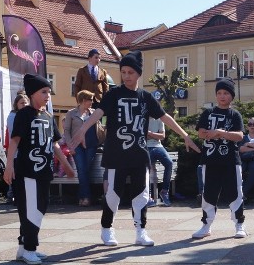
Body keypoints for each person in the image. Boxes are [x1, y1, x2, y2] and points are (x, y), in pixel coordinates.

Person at [70, 51, 199, 247]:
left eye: (130, 72)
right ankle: (107, 228)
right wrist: (82, 130)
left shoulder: (145, 97)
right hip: (116, 154)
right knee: (113, 194)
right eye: (123, 72)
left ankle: (141, 231)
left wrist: (186, 136)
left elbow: (165, 117)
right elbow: (98, 113)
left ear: (138, 74)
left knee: (142, 195)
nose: (126, 76)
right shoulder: (113, 94)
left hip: (139, 154)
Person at [5, 74, 75, 265]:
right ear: (32, 93)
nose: (48, 96)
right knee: (31, 210)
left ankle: (23, 246)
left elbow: (55, 145)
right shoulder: (23, 114)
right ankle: (29, 249)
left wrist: (67, 166)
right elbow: (14, 141)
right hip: (27, 171)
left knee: (40, 207)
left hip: (44, 171)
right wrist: (9, 165)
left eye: (49, 92)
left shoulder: (48, 117)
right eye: (44, 92)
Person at [192, 78, 246, 239]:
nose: (222, 96)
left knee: (235, 193)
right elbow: (201, 133)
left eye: (226, 93)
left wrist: (219, 133)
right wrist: (214, 133)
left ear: (231, 96)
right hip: (209, 160)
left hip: (231, 161)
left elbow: (239, 136)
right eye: (219, 93)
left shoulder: (235, 115)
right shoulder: (208, 113)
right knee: (208, 194)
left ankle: (239, 224)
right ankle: (206, 225)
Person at [63, 90, 99, 207]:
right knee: (81, 170)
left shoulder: (93, 113)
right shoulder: (71, 113)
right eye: (90, 100)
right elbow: (67, 131)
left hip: (91, 144)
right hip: (76, 145)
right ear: (84, 100)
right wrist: (70, 145)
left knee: (86, 170)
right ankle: (86, 197)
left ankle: (82, 196)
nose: (92, 102)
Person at [147, 117, 174, 207]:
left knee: (169, 163)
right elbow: (142, 135)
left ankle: (164, 192)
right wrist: (156, 135)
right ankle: (148, 196)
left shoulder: (159, 119)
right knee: (147, 168)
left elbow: (162, 136)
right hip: (146, 146)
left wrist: (150, 133)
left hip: (158, 146)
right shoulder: (142, 118)